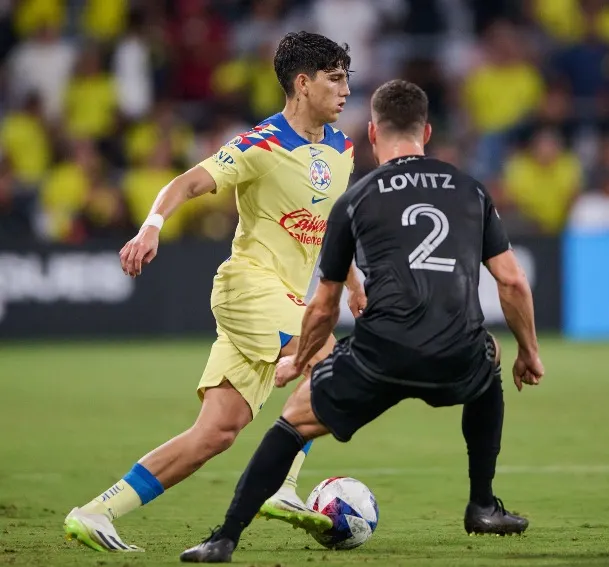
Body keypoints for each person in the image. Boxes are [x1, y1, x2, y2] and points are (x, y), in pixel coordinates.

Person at [179, 79, 544, 563]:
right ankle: (482, 505)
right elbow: (512, 282)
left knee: (293, 422)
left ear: (372, 133)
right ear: (427, 132)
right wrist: (529, 352)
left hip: (381, 353)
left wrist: (300, 362)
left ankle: (224, 538)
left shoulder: (355, 199)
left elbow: (324, 306)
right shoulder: (471, 189)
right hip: (455, 351)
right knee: (490, 355)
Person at [63, 31, 364, 552]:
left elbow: (335, 224)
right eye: (334, 79)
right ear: (302, 83)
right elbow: (186, 182)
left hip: (282, 299)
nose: (346, 90)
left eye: (346, 79)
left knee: (216, 433)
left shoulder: (342, 149)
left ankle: (96, 512)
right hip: (248, 286)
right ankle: (285, 488)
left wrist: (353, 281)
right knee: (328, 357)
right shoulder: (261, 144)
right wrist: (151, 227)